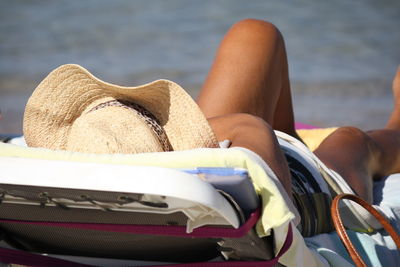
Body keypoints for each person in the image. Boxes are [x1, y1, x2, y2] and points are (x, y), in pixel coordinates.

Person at [23, 18, 400, 207]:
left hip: (201, 156)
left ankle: (291, 142)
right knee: (352, 140)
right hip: (296, 190)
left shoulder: (90, 168)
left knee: (254, 33)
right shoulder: (237, 131)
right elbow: (282, 214)